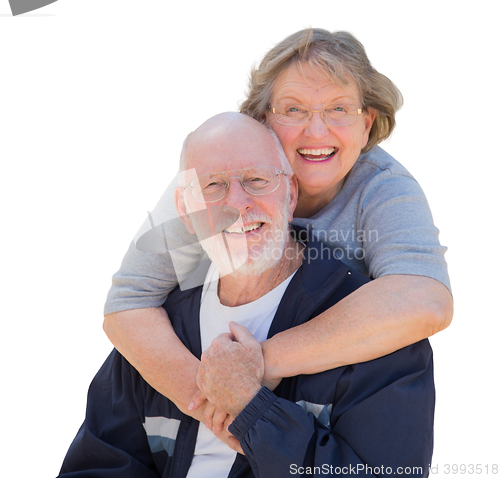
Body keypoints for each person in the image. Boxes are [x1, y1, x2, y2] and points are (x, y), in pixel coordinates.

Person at [102, 28, 452, 430]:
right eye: (293, 109)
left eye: (339, 109)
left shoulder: (384, 188)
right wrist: (210, 404)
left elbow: (427, 300)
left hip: (327, 403)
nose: (316, 132)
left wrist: (259, 363)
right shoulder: (210, 179)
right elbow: (128, 302)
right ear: (262, 119)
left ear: (367, 124)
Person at [59, 113, 434, 477]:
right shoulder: (158, 333)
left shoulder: (375, 334)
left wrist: (254, 412)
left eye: (256, 180)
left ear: (290, 195)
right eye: (213, 186)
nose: (237, 204)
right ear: (185, 213)